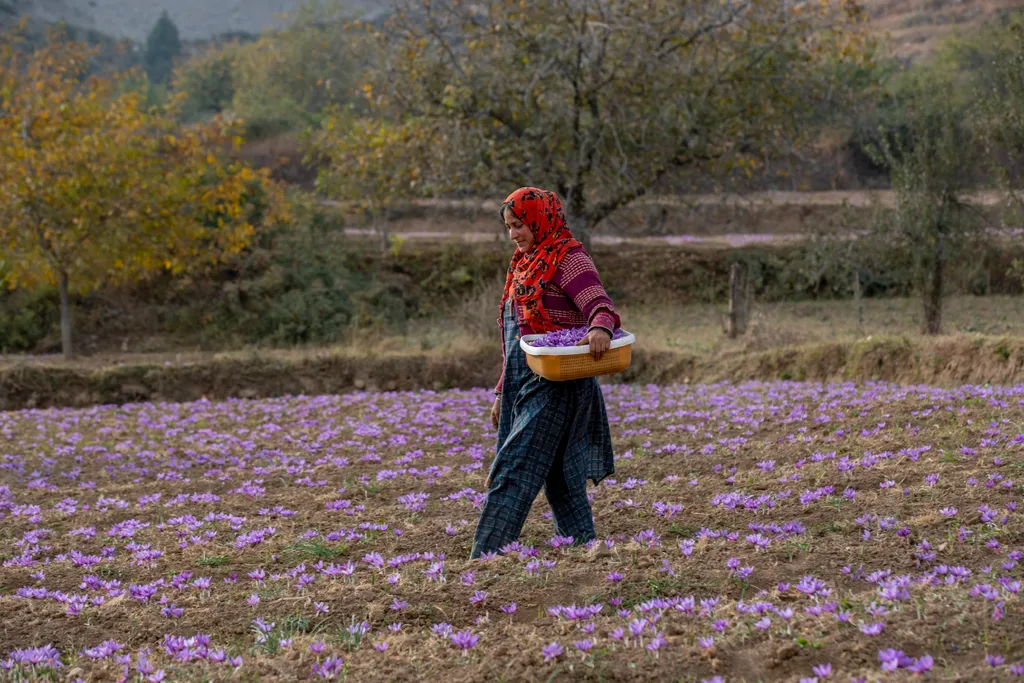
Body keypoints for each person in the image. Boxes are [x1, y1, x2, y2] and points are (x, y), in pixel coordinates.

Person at [470, 187, 621, 559]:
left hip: (558, 381)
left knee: (516, 464)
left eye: (519, 225)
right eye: (508, 227)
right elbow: (515, 336)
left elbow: (600, 305)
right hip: (523, 381)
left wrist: (600, 329)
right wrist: (501, 392)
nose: (513, 234)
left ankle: (485, 554)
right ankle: (583, 546)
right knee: (559, 473)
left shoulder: (568, 258)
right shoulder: (523, 264)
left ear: (540, 220)